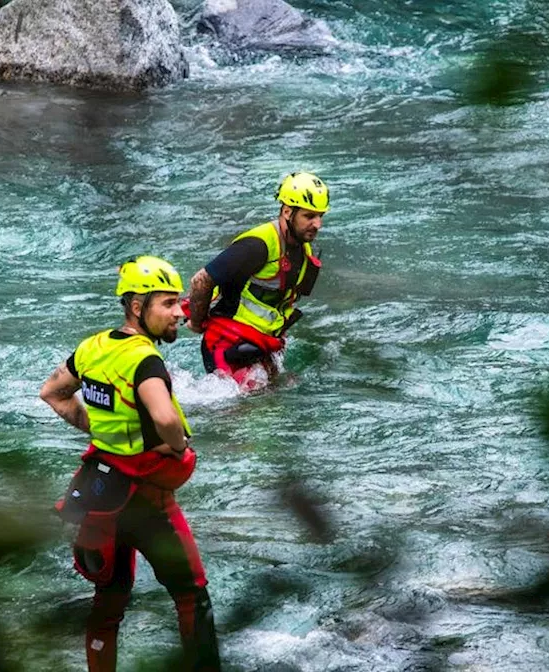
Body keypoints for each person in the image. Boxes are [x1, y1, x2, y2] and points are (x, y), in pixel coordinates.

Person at [39, 256, 220, 672]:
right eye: (168, 304)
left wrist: (96, 427)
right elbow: (165, 417)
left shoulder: (92, 348)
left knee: (109, 601)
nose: (180, 312)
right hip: (148, 500)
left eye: (179, 303)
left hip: (104, 494)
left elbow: (52, 392)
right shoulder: (145, 360)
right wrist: (178, 447)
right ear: (138, 307)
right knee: (192, 595)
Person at [186, 172, 328, 388]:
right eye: (309, 216)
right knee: (246, 409)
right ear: (287, 212)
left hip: (261, 344)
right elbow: (201, 280)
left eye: (320, 216)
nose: (317, 224)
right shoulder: (257, 245)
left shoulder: (304, 249)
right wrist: (196, 323)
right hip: (226, 343)